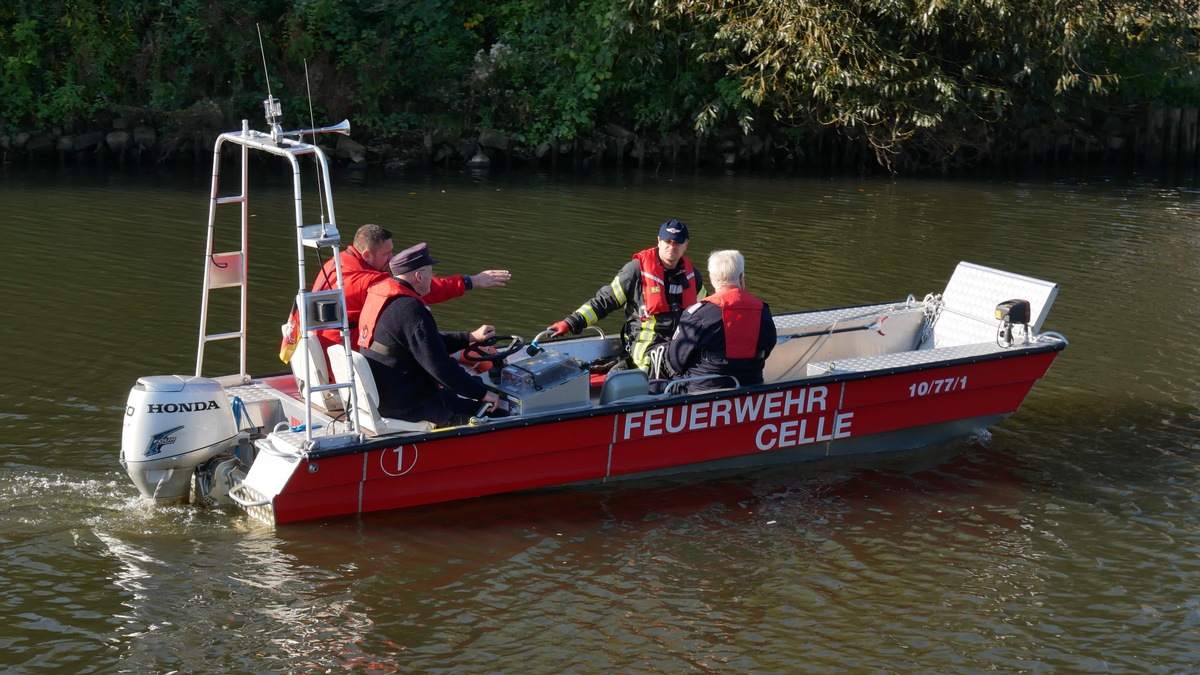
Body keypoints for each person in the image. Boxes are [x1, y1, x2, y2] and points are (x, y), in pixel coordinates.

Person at [280, 223, 511, 361]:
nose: (392, 259)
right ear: (367, 255)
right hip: (342, 355)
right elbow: (421, 290)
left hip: (324, 348)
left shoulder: (336, 263)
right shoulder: (366, 281)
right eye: (386, 254)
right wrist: (471, 281)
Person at [356, 243, 501, 427]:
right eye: (431, 274)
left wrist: (469, 337)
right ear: (419, 276)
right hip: (410, 406)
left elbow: (426, 343)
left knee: (459, 397)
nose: (433, 279)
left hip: (392, 394)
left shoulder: (384, 297)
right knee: (494, 413)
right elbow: (439, 365)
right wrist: (483, 393)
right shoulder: (410, 309)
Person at [546, 219, 707, 375]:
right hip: (645, 343)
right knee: (654, 368)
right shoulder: (635, 271)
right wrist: (571, 322)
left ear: (686, 244)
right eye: (668, 241)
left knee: (704, 362)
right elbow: (604, 301)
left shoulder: (693, 276)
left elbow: (707, 312)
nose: (672, 247)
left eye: (677, 243)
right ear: (659, 241)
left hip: (681, 342)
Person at [665, 249, 776, 393]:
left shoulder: (698, 315)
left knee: (654, 386)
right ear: (741, 278)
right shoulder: (762, 311)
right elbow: (768, 347)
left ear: (711, 278)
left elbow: (675, 361)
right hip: (751, 387)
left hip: (699, 392)